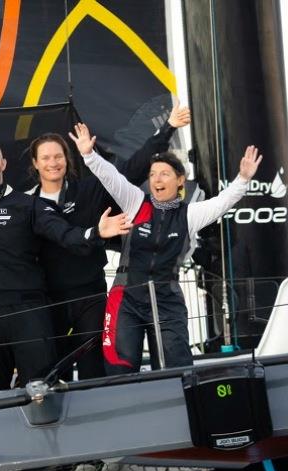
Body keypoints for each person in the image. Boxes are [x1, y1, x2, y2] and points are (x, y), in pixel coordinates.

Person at [69, 123, 262, 373]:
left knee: (176, 369)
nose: (156, 179)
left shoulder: (190, 214)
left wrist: (243, 178)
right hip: (126, 297)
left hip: (167, 299)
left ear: (180, 180)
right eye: (152, 175)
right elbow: (111, 178)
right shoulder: (135, 202)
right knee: (120, 368)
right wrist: (89, 155)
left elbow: (222, 203)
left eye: (164, 174)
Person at [27, 105, 191, 379]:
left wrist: (169, 127)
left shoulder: (89, 189)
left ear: (67, 159)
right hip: (48, 300)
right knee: (54, 375)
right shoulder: (27, 203)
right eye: (45, 158)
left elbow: (133, 169)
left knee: (95, 370)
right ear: (35, 163)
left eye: (58, 156)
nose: (52, 162)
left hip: (89, 295)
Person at [0, 141, 131, 392]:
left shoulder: (30, 205)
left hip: (29, 312)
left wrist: (95, 233)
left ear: (3, 164)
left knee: (40, 389)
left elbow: (65, 234)